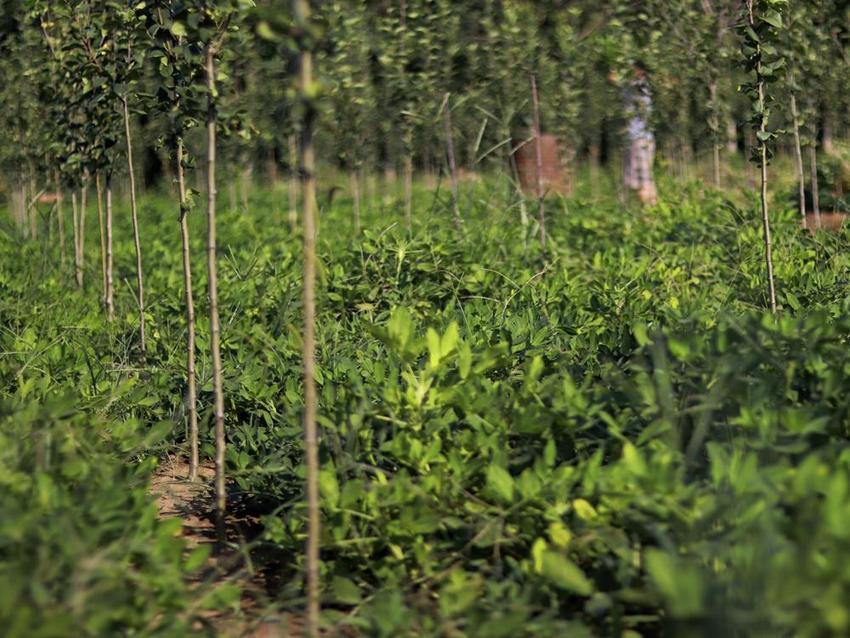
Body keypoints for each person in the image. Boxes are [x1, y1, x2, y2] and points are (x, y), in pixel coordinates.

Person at [620, 62, 657, 205]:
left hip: (638, 140)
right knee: (643, 181)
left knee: (644, 183)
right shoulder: (643, 86)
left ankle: (650, 215)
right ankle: (649, 214)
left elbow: (613, 78)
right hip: (642, 139)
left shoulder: (636, 87)